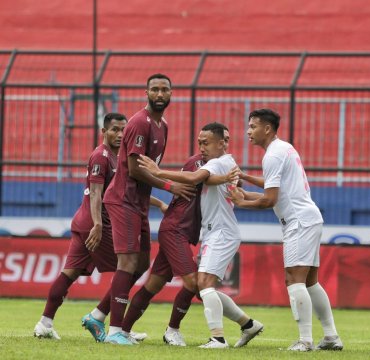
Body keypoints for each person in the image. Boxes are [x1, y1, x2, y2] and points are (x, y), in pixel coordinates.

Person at [33, 113, 166, 342]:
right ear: (104, 132)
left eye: (124, 130)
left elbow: (121, 192)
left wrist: (159, 203)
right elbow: (96, 193)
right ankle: (112, 324)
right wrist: (97, 225)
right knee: (130, 266)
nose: (120, 134)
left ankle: (45, 323)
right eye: (114, 129)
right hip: (96, 224)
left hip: (86, 222)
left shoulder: (117, 157)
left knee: (69, 273)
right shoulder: (101, 156)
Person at [137, 122, 264, 349]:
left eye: (206, 143)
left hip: (222, 232)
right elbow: (214, 181)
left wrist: (158, 173)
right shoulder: (227, 164)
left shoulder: (218, 162)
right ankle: (247, 324)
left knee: (203, 284)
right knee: (204, 287)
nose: (201, 147)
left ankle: (218, 338)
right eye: (199, 143)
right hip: (215, 232)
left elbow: (195, 177)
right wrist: (265, 199)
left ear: (221, 143)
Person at [230, 108, 342, 352]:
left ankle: (305, 340)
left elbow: (269, 200)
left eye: (253, 126)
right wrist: (246, 182)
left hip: (298, 222)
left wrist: (241, 203)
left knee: (294, 279)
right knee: (311, 282)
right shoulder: (283, 148)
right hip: (309, 218)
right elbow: (276, 189)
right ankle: (331, 337)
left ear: (267, 129)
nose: (248, 131)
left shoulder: (272, 155)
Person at [101, 73, 195, 345]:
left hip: (138, 203)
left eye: (164, 89)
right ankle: (115, 331)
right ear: (146, 92)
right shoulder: (139, 123)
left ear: (171, 93)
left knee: (141, 263)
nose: (159, 94)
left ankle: (98, 315)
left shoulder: (162, 125)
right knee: (128, 263)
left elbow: (150, 167)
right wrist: (170, 187)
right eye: (154, 89)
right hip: (123, 199)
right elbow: (134, 170)